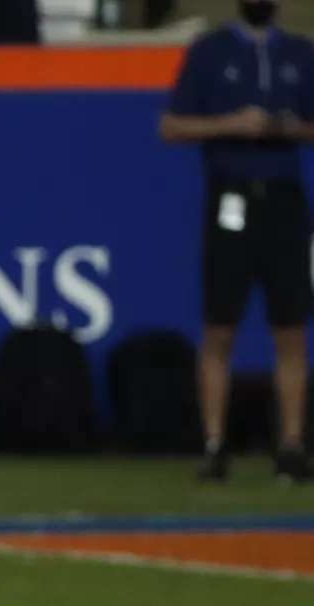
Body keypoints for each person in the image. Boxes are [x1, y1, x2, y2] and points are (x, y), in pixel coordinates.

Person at [161, 0, 314, 484]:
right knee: (220, 327)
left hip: (285, 199)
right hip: (231, 196)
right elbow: (171, 125)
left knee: (290, 328)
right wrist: (232, 123)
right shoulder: (209, 51)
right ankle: (214, 443)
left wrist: (290, 127)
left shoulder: (300, 53)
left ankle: (290, 444)